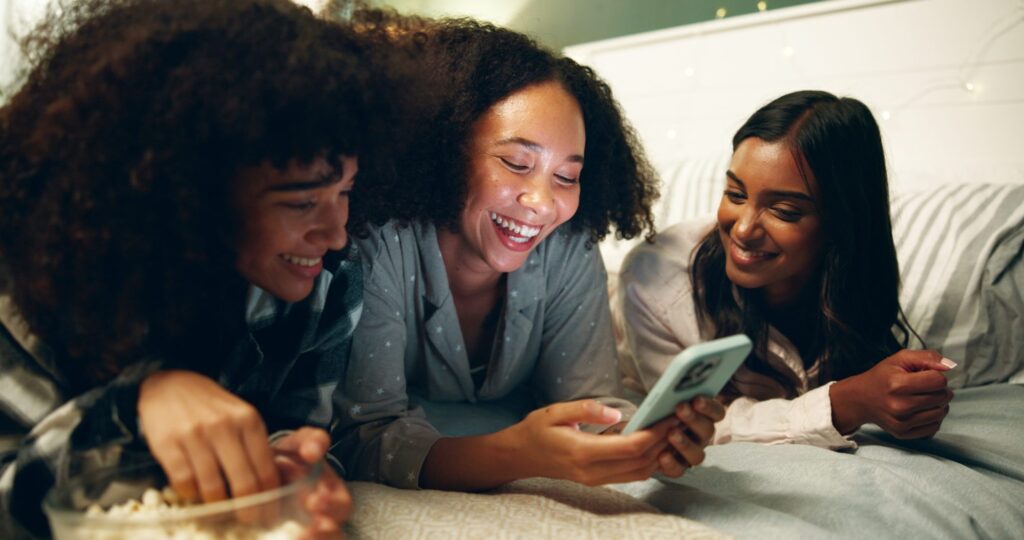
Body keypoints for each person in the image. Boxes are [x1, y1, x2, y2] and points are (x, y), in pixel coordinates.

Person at [0, 0, 390, 536]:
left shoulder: (328, 286)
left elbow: (296, 428)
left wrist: (287, 467)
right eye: (301, 203)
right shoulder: (33, 280)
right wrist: (133, 406)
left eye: (345, 192)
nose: (336, 233)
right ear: (189, 196)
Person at [333, 16, 726, 492]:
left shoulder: (568, 245)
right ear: (444, 152)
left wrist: (636, 439)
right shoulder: (378, 244)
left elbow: (592, 400)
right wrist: (514, 456)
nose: (542, 203)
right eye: (517, 164)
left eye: (567, 177)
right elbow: (366, 435)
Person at [614, 90, 956, 450]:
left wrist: (911, 401)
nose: (744, 229)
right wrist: (846, 403)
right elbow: (688, 423)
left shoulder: (853, 284)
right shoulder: (655, 280)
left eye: (784, 212)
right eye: (735, 194)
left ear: (841, 223)